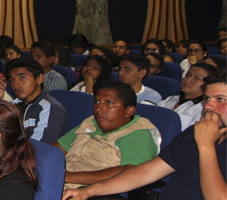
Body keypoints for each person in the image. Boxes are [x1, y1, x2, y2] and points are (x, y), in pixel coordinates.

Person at [62, 71, 227, 200]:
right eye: (207, 98)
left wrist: (205, 145)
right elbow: (146, 173)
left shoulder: (202, 137)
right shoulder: (193, 133)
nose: (209, 106)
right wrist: (89, 191)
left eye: (220, 99)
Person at [53, 82, 160, 189]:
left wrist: (69, 176)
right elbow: (54, 151)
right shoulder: (91, 122)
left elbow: (131, 172)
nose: (98, 108)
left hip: (89, 190)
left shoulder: (138, 135)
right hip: (58, 178)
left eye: (109, 103)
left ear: (128, 111)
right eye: (97, 102)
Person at [5, 58, 70, 144]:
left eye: (22, 78)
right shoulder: (12, 105)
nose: (15, 84)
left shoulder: (52, 109)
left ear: (40, 79)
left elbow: (37, 147)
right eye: (12, 80)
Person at [158, 63, 220, 131]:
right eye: (188, 75)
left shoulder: (203, 109)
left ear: (209, 85)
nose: (188, 80)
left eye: (197, 78)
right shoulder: (171, 99)